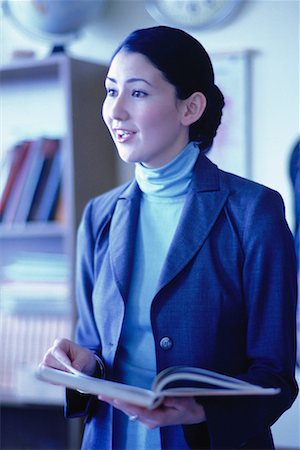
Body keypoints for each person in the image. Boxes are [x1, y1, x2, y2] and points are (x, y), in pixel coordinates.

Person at [41, 26, 298, 450]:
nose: (115, 111)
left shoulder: (255, 212)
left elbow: (275, 375)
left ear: (190, 107)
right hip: (109, 439)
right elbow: (94, 347)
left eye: (138, 93)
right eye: (111, 91)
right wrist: (83, 363)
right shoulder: (99, 215)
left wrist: (201, 410)